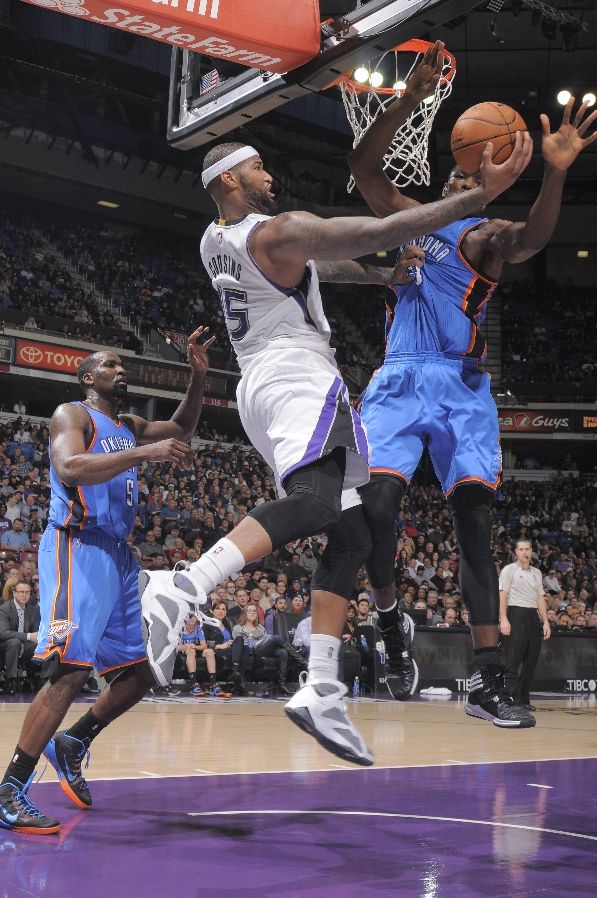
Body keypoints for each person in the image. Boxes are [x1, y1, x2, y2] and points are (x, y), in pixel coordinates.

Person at [140, 130, 531, 767]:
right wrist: (472, 200)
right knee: (319, 503)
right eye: (260, 168)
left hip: (258, 386)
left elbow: (327, 263)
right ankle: (183, 585)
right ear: (231, 180)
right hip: (297, 375)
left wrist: (381, 276)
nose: (271, 176)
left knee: (351, 538)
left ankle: (320, 686)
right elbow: (373, 232)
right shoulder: (276, 230)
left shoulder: (216, 240)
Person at [348, 40, 596, 728]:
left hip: (458, 388)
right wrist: (407, 98)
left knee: (474, 526)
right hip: (399, 377)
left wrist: (552, 175)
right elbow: (361, 166)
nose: (462, 179)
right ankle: (392, 618)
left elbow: (533, 241)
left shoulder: (486, 235)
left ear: (487, 179)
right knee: (375, 508)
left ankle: (486, 680)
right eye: (459, 172)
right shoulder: (408, 218)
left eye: (475, 173)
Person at [0, 327, 214, 835]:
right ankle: (10, 788)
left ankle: (73, 740)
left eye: (124, 365)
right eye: (113, 365)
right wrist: (145, 455)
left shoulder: (130, 422)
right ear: (89, 376)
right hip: (79, 543)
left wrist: (199, 379)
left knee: (137, 676)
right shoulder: (72, 415)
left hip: (119, 555)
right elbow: (71, 468)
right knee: (71, 671)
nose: (123, 371)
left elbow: (179, 430)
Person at [499, 539, 550, 713]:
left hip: (533, 617)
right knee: (513, 660)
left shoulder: (537, 572)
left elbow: (540, 598)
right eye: (521, 549)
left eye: (527, 549)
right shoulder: (509, 570)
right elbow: (503, 595)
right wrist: (504, 618)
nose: (525, 552)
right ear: (516, 552)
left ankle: (523, 698)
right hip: (516, 614)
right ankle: (510, 698)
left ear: (531, 551)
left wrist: (545, 622)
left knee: (531, 661)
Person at [0, 580, 40, 695]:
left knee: (44, 645)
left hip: (26, 646)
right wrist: (28, 636)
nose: (24, 595)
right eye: (21, 592)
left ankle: (41, 679)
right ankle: (11, 680)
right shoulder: (4, 609)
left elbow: (36, 631)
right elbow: (3, 633)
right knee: (14, 642)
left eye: (27, 592)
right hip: (6, 646)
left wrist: (37, 637)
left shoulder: (33, 609)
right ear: (14, 593)